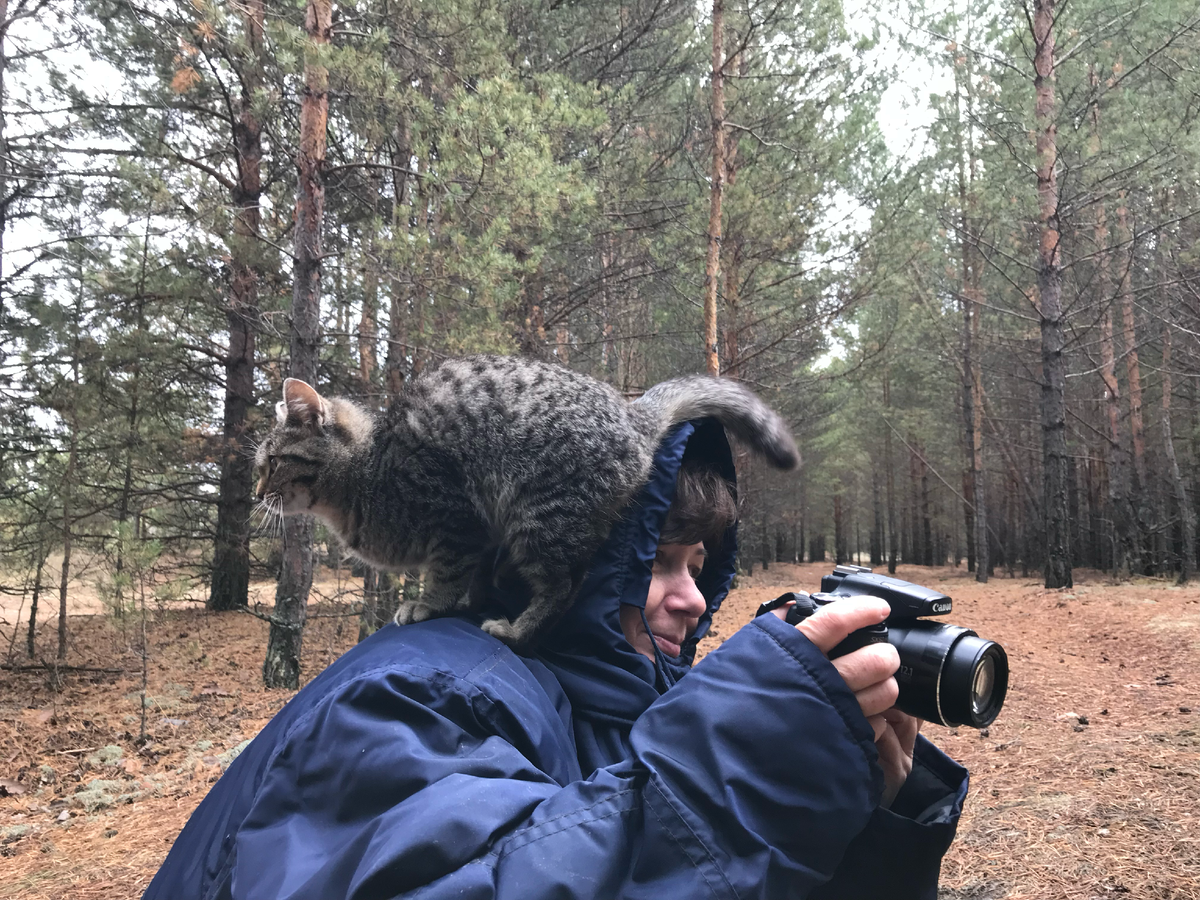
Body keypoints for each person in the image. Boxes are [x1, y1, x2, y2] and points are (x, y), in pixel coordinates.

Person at [145, 419, 967, 900]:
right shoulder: (416, 692)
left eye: (698, 565)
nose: (691, 599)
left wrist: (858, 822)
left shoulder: (618, 706)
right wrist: (731, 774)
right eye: (655, 562)